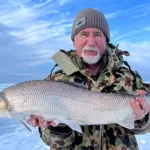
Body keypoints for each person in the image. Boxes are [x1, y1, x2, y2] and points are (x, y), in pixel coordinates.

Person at [28, 8, 150, 150]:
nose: (91, 42)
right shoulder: (53, 82)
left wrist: (141, 118)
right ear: (74, 41)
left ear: (106, 41)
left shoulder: (129, 77)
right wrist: (57, 126)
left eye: (98, 34)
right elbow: (58, 144)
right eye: (84, 34)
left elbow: (145, 128)